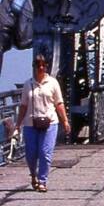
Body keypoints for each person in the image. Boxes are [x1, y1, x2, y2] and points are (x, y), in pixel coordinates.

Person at [14, 54, 70, 193]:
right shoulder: (28, 84)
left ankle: (42, 180)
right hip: (30, 123)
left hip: (50, 122)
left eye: (43, 65)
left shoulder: (53, 83)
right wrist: (18, 124)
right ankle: (33, 175)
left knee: (45, 152)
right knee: (31, 154)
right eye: (38, 65)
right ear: (34, 67)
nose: (40, 68)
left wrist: (65, 121)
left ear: (46, 67)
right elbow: (23, 106)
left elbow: (59, 103)